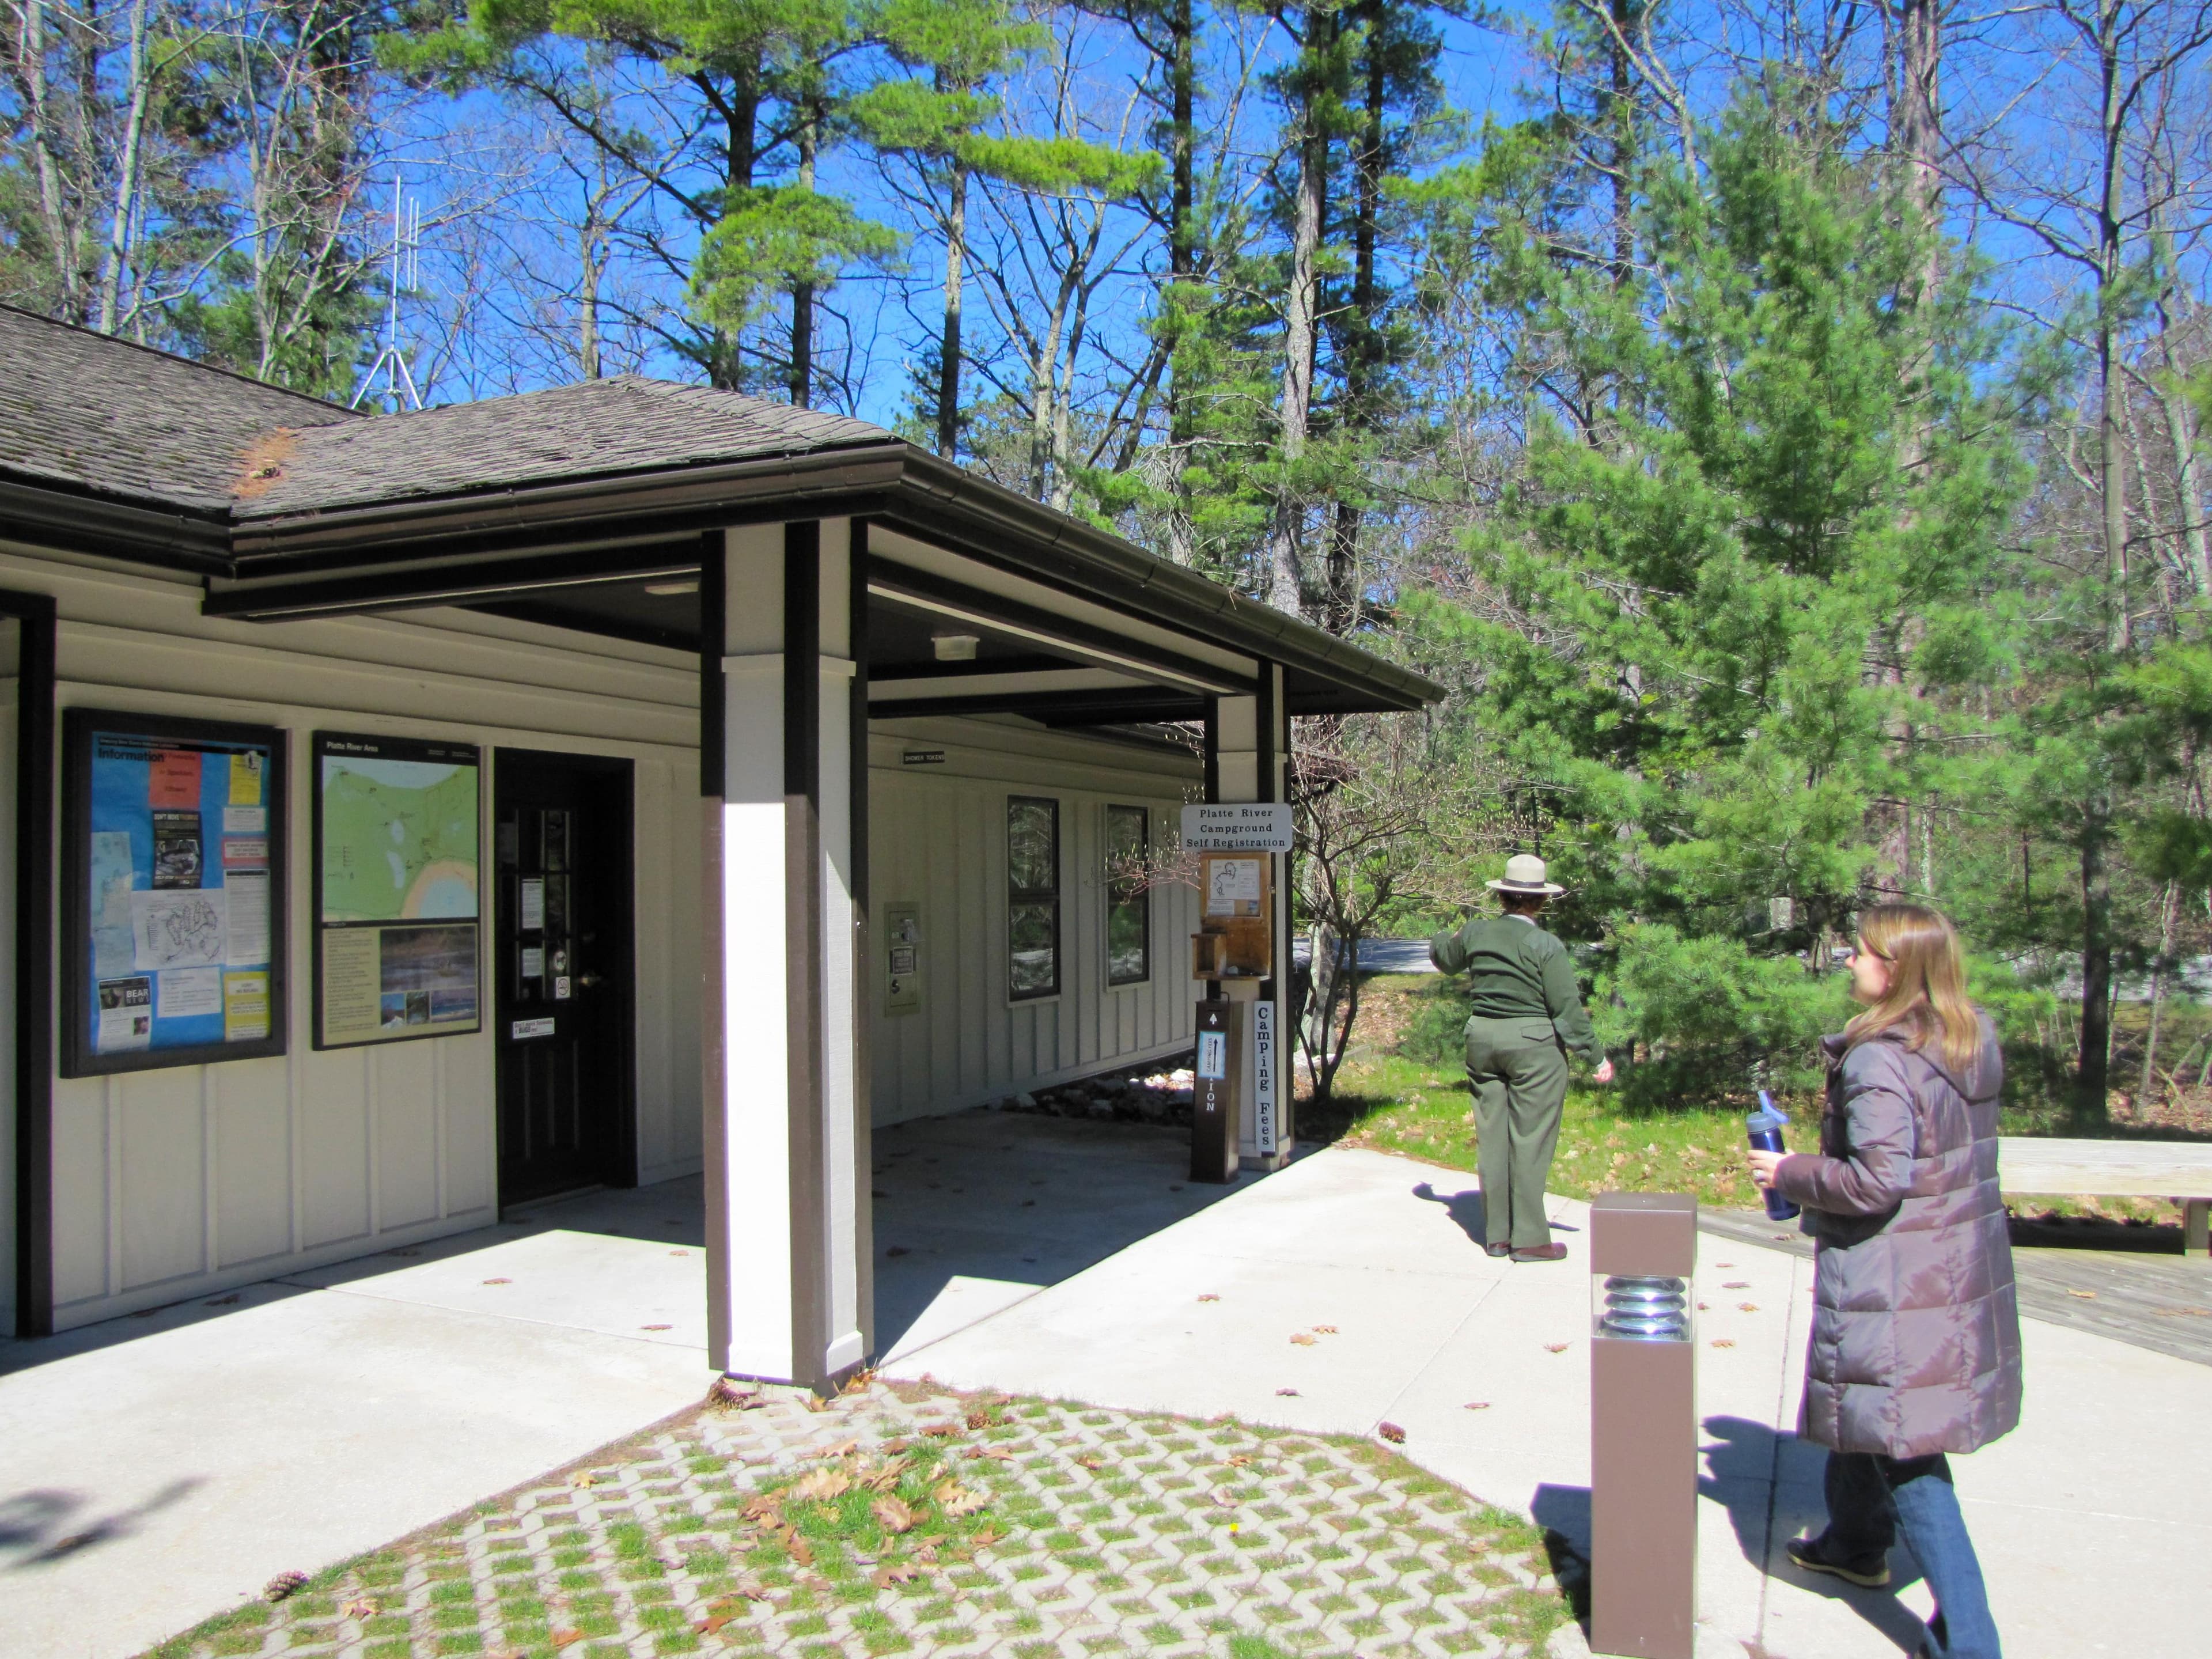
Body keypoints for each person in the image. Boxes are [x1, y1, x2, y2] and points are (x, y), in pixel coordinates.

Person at [1748, 903, 2020, 1659]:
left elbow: (1876, 1180)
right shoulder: (1968, 1037)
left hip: (1896, 1273)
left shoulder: (1880, 1057)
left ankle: (1972, 1642)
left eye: (1861, 952)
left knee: (1909, 1455)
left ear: (1896, 968)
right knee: (1867, 1404)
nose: (1848, 961)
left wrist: (1789, 1171)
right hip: (1950, 1266)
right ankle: (1854, 1544)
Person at [1428, 853, 1613, 1262]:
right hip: (1534, 1047)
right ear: (1541, 900)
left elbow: (1446, 957)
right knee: (1530, 1140)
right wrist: (1596, 1058)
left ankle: (1497, 1236)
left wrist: (1441, 934)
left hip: (1482, 1041)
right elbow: (1566, 1010)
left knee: (1492, 1138)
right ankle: (1528, 1239)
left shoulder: (1477, 932)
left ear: (1503, 896)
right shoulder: (1545, 945)